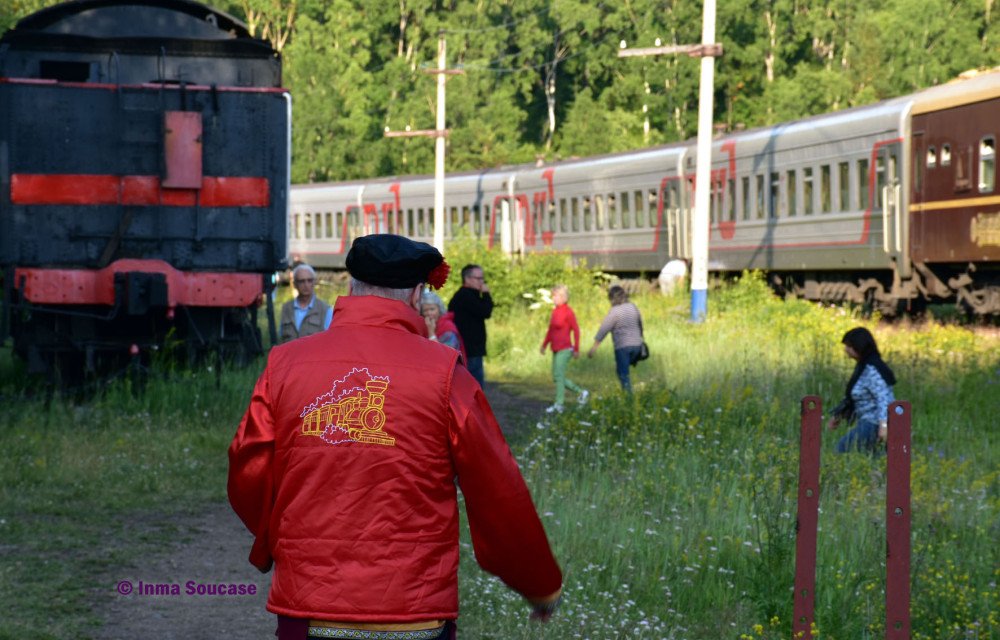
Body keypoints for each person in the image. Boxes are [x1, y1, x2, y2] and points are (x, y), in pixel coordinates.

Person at [228, 234, 562, 640]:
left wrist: (274, 544)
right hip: (414, 611)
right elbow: (498, 490)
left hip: (309, 606)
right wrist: (539, 584)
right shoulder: (447, 374)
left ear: (351, 287)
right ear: (418, 294)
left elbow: (248, 470)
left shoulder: (285, 364)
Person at [826, 326, 897, 453]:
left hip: (874, 423)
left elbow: (883, 399)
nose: (845, 350)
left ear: (860, 347)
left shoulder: (872, 369)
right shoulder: (862, 368)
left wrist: (883, 426)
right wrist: (838, 416)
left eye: (849, 346)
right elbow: (852, 397)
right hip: (868, 422)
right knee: (877, 461)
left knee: (841, 450)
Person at [540, 284, 588, 413]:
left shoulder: (568, 311)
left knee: (560, 376)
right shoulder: (555, 311)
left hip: (565, 349)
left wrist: (576, 348)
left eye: (555, 296)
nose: (553, 298)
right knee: (556, 377)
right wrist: (544, 345)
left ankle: (559, 404)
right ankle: (581, 392)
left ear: (562, 297)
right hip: (555, 348)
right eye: (553, 296)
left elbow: (576, 330)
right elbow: (550, 330)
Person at [587, 285, 644, 393]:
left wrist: (593, 348)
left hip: (623, 346)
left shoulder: (614, 311)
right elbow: (640, 324)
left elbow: (604, 329)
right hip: (637, 345)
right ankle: (629, 392)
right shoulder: (633, 307)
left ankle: (628, 398)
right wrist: (640, 339)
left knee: (623, 374)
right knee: (624, 368)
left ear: (612, 298)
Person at [448, 264, 493, 388]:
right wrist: (486, 295)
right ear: (467, 279)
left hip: (471, 349)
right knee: (475, 388)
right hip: (469, 350)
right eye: (478, 279)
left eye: (482, 279)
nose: (482, 282)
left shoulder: (467, 295)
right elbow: (486, 311)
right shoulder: (465, 296)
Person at [279, 264, 332, 343]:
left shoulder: (325, 310)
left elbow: (330, 341)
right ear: (294, 284)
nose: (306, 285)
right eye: (302, 281)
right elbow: (282, 339)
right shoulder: (286, 308)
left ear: (314, 283)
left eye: (309, 280)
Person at [420, 290, 467, 363]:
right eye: (425, 310)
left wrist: (431, 333)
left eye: (432, 309)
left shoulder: (448, 328)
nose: (429, 313)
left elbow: (444, 356)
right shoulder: (422, 326)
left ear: (439, 309)